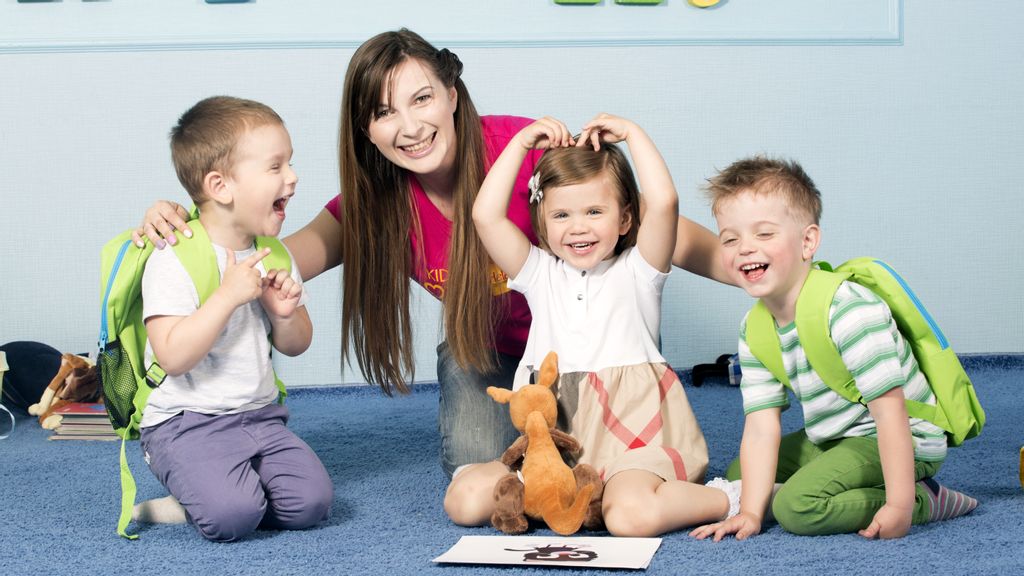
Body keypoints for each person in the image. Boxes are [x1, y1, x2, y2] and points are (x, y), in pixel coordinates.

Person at [132, 29, 730, 479]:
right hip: (487, 353)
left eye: (421, 99)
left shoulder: (520, 150)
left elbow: (647, 227)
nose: (409, 126)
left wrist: (748, 263)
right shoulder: (374, 205)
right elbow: (269, 258)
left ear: (451, 93)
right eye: (384, 112)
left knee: (613, 466)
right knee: (481, 468)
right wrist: (189, 220)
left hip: (591, 348)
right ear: (365, 129)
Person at [446, 114, 738, 537]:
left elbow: (664, 203)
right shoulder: (539, 272)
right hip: (557, 446)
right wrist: (522, 144)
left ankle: (733, 496)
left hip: (634, 441)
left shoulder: (640, 271)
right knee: (464, 501)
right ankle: (564, 494)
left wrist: (634, 134)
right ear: (542, 223)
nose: (578, 226)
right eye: (561, 214)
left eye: (595, 211)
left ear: (624, 220)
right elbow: (485, 215)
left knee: (630, 517)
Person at [690, 156, 978, 542]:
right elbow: (761, 428)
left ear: (807, 241)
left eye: (764, 234)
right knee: (742, 476)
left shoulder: (850, 310)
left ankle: (927, 499)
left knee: (796, 508)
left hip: (899, 435)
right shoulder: (754, 327)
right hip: (833, 435)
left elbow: (890, 412)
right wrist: (750, 513)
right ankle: (836, 480)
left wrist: (899, 505)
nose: (744, 249)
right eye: (730, 238)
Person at [134, 96, 332, 542]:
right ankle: (190, 492)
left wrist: (285, 314)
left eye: (290, 163)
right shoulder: (173, 258)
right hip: (186, 423)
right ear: (221, 186)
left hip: (259, 416)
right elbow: (172, 357)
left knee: (311, 504)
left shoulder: (273, 252)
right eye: (276, 166)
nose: (293, 177)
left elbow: (297, 343)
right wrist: (226, 297)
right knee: (232, 517)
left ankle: (219, 482)